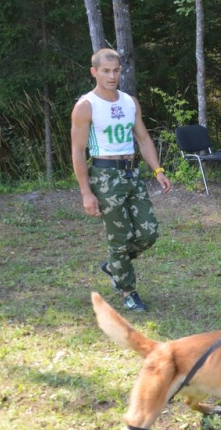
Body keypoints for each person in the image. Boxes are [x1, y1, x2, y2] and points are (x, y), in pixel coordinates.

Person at [71, 48, 172, 312]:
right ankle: (128, 291)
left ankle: (114, 265)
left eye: (116, 70)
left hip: (132, 173)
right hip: (105, 176)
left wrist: (157, 170)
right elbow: (78, 151)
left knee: (148, 232)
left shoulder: (129, 102)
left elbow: (144, 139)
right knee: (119, 237)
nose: (111, 76)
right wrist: (86, 193)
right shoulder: (86, 106)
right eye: (105, 71)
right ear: (94, 72)